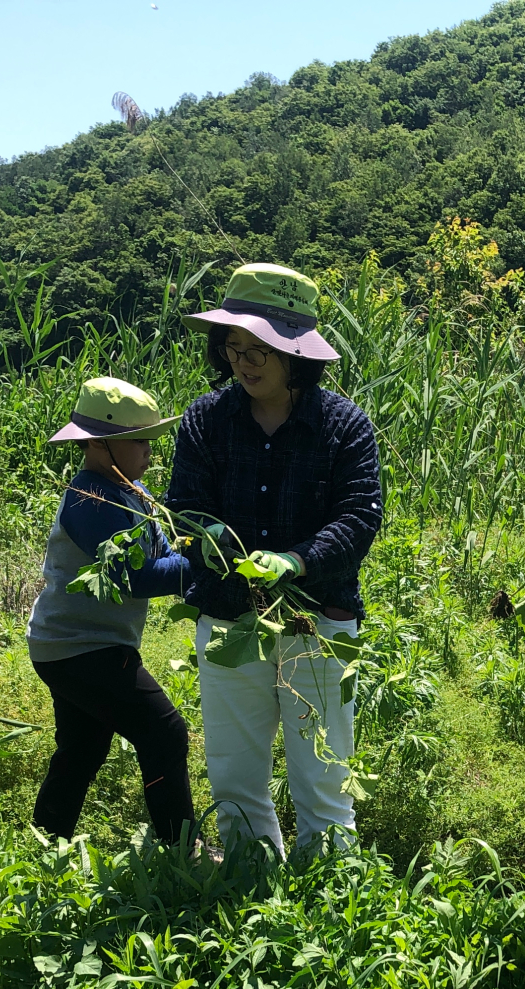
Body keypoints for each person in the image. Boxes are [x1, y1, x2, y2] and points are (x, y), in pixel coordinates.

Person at [169, 262, 384, 855]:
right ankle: (249, 877)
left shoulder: (344, 427)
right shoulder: (206, 420)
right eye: (233, 346)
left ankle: (330, 883)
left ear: (298, 351)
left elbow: (360, 518)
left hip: (317, 618)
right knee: (235, 770)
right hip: (230, 615)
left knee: (322, 767)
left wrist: (295, 561)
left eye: (261, 345)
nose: (245, 360)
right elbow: (184, 507)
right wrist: (212, 539)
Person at [25, 377, 194, 844]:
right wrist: (202, 567)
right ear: (100, 445)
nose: (148, 452)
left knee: (82, 748)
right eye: (137, 441)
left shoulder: (129, 491)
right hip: (81, 646)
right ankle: (182, 849)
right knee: (163, 732)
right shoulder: (89, 500)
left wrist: (195, 553)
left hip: (73, 644)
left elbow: (162, 554)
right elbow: (134, 577)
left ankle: (46, 843)